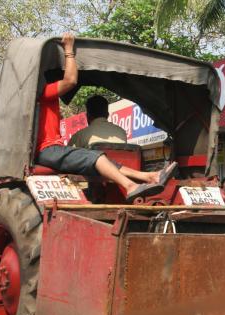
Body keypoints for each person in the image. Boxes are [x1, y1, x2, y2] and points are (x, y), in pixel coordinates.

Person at [35, 33, 176, 202]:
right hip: (47, 150)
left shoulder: (77, 131)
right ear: (107, 114)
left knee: (103, 160)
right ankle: (131, 186)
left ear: (88, 115)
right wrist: (69, 50)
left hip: (56, 152)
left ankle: (149, 176)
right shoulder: (42, 93)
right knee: (96, 156)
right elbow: (71, 80)